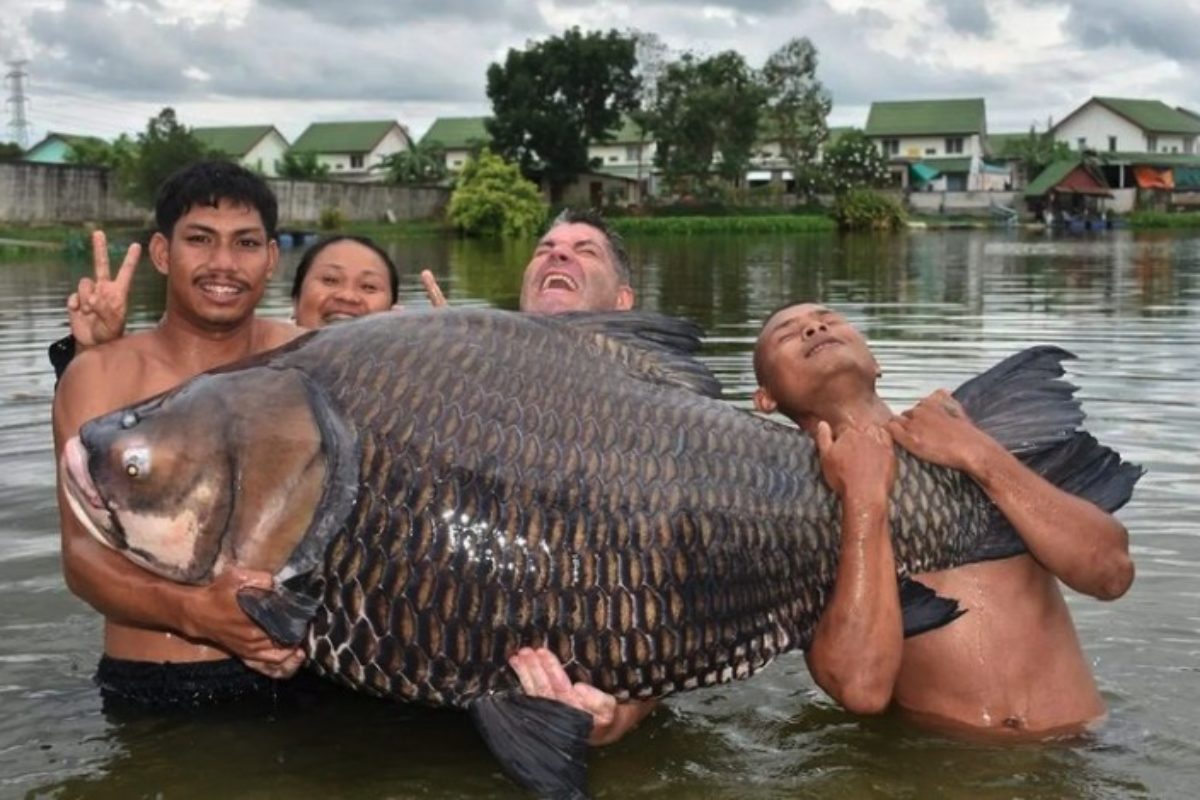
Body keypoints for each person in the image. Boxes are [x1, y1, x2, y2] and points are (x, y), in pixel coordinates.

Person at [752, 302, 1135, 736]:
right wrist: (864, 499)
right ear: (766, 397)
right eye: (787, 333)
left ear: (876, 364)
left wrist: (980, 455)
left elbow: (1112, 574)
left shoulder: (981, 439)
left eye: (828, 318)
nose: (814, 327)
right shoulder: (790, 517)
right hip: (953, 772)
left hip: (1085, 748)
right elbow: (861, 689)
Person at [53, 160, 307, 707]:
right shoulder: (101, 374)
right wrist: (195, 613)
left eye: (245, 243)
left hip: (308, 677)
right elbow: (82, 559)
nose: (223, 264)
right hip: (158, 683)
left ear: (271, 259)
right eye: (200, 240)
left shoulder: (310, 360)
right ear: (164, 254)